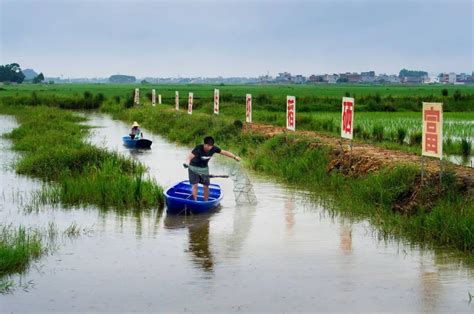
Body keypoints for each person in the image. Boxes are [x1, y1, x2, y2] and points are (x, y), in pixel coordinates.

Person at [185, 136, 240, 201]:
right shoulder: (198, 148)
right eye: (208, 146)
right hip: (193, 168)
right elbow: (189, 157)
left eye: (211, 146)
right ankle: (195, 201)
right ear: (204, 144)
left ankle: (206, 202)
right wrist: (187, 164)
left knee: (206, 186)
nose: (209, 147)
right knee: (195, 185)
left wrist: (235, 157)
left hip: (204, 169)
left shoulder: (213, 148)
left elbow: (225, 152)